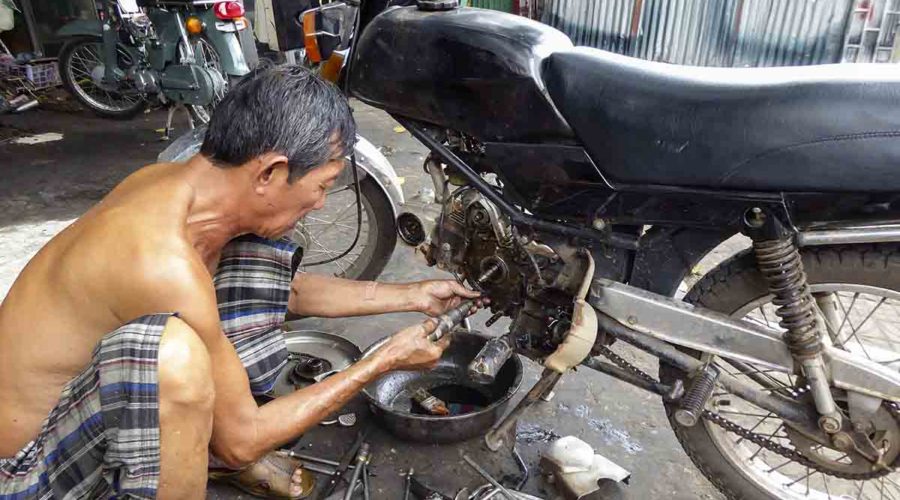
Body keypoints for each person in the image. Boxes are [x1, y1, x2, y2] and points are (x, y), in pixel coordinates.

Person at [0, 66, 480, 499]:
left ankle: (195, 447)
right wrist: (383, 360)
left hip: (86, 405)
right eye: (324, 184)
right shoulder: (160, 264)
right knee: (176, 360)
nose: (320, 202)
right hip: (31, 470)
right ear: (270, 171)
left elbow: (280, 292)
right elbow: (243, 441)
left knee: (252, 251)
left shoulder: (178, 187)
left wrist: (409, 296)